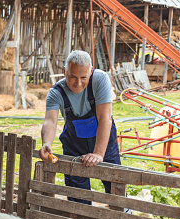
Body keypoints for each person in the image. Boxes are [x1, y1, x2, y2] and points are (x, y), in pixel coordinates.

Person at [38, 50, 120, 205]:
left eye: (84, 77)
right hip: (74, 146)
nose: (78, 83)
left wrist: (98, 153)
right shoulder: (56, 93)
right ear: (64, 72)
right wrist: (46, 143)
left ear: (90, 71)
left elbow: (104, 118)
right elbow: (50, 121)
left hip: (103, 143)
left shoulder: (100, 79)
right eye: (72, 77)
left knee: (115, 187)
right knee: (77, 194)